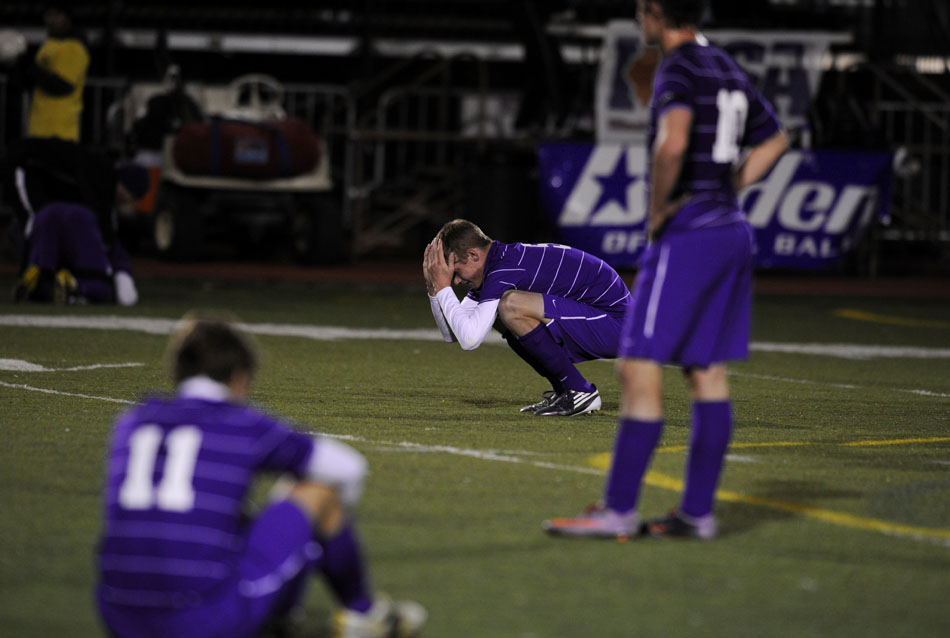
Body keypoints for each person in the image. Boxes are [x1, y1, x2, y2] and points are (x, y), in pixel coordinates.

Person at [543, 0, 788, 539]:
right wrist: (732, 187)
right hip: (731, 231)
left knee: (636, 366)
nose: (637, 19)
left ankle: (618, 510)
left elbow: (673, 142)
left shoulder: (676, 67)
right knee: (706, 372)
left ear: (657, 12)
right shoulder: (723, 64)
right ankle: (697, 513)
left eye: (640, 9)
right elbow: (775, 137)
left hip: (691, 232)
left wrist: (658, 212)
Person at [96, 316, 427, 638]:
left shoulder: (131, 420)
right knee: (317, 494)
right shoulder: (241, 424)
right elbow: (348, 468)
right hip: (203, 620)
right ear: (239, 378)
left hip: (117, 615)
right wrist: (323, 534)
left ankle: (278, 617)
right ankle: (364, 614)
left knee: (234, 522)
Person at [423, 219, 632, 416]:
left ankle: (580, 391)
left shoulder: (503, 270)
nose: (456, 281)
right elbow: (454, 333)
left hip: (619, 326)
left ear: (474, 255)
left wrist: (444, 288)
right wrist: (435, 290)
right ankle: (566, 391)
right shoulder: (497, 265)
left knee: (510, 305)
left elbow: (470, 340)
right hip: (603, 321)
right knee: (499, 313)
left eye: (457, 272)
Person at [8, 138, 147, 305]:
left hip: (35, 173)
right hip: (22, 164)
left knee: (42, 224)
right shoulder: (103, 180)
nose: (130, 203)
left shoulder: (98, 177)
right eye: (132, 197)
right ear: (125, 188)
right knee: (33, 225)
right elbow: (103, 230)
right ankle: (35, 274)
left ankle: (37, 277)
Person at [25, 4, 90, 141]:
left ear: (67, 17)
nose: (51, 20)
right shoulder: (49, 45)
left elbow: (62, 85)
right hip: (39, 127)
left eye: (57, 15)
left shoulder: (74, 47)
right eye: (49, 15)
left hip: (61, 131)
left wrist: (31, 68)